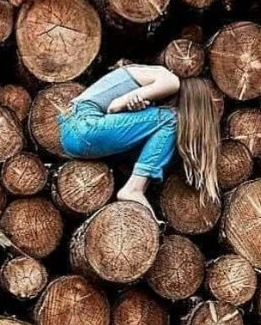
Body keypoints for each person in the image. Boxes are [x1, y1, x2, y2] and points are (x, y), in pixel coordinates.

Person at [57, 63, 220, 218]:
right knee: (173, 119)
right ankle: (134, 189)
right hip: (83, 124)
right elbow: (114, 106)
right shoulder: (170, 80)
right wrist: (127, 105)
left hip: (72, 137)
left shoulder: (149, 87)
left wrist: (134, 108)